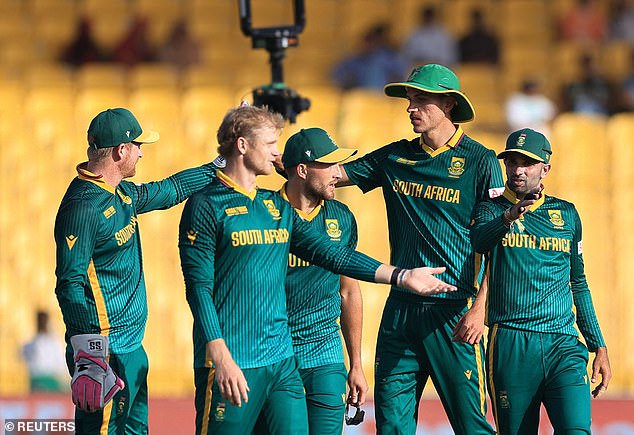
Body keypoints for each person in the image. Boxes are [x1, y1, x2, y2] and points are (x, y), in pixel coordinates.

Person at [177, 104, 457, 435]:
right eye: (269, 145)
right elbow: (198, 289)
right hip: (234, 361)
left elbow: (332, 255)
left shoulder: (274, 207)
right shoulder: (206, 205)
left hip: (282, 366)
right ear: (242, 146)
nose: (276, 154)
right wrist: (220, 354)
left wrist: (401, 275)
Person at [335, 63, 504, 434]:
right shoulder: (395, 157)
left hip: (455, 314)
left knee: (472, 427)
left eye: (421, 99)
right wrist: (270, 157)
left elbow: (499, 246)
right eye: (410, 100)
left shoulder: (481, 161)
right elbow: (330, 175)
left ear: (448, 104)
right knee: (391, 427)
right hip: (401, 311)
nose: (410, 107)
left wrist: (480, 308)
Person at [54, 108, 218, 434]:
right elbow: (69, 284)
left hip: (132, 349)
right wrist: (89, 353)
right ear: (121, 150)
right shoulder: (83, 207)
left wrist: (221, 165)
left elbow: (170, 190)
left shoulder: (122, 193)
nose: (142, 152)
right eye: (138, 145)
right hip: (106, 354)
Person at [470, 128, 612, 434]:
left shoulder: (566, 214)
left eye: (527, 163)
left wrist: (597, 344)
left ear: (545, 168)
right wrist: (510, 215)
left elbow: (578, 282)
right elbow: (479, 241)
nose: (518, 170)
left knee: (576, 430)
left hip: (562, 342)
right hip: (511, 341)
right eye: (511, 162)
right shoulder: (489, 209)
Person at [279, 128, 367, 434]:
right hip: (276, 351)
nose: (337, 173)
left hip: (325, 352)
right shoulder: (266, 213)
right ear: (302, 170)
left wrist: (355, 363)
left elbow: (348, 291)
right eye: (328, 165)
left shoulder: (342, 218)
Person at [331, 23, 408, 91]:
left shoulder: (389, 59)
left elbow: (400, 77)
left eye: (372, 41)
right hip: (359, 97)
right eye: (366, 42)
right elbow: (338, 77)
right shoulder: (354, 60)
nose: (368, 45)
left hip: (383, 97)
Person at [21, 310, 68, 393]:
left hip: (50, 380)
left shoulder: (54, 342)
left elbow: (61, 363)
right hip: (36, 379)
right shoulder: (32, 341)